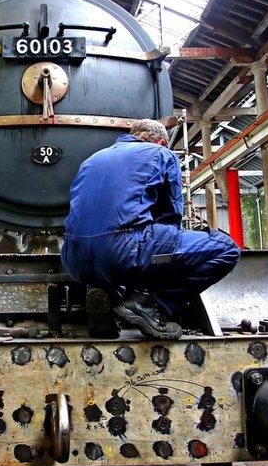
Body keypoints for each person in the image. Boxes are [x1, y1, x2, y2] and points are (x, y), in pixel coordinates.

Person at [61, 119, 240, 339]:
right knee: (227, 249)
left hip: (73, 259)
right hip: (122, 252)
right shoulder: (161, 154)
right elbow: (171, 215)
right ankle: (147, 302)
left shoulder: (91, 160)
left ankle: (103, 297)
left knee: (117, 252)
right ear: (162, 142)